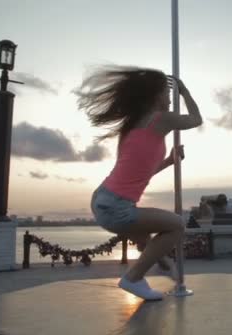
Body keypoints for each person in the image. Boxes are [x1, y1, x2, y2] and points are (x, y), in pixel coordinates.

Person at [77, 66, 203, 300]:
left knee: (146, 236)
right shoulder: (160, 119)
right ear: (155, 97)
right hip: (117, 207)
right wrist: (184, 91)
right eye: (167, 93)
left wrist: (168, 161)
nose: (170, 98)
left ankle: (156, 264)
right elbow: (196, 119)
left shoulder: (132, 127)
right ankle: (133, 277)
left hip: (101, 199)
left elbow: (139, 172)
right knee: (176, 226)